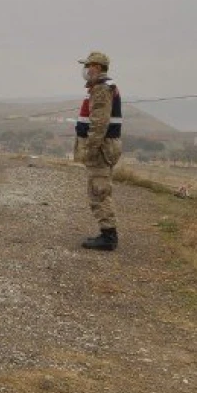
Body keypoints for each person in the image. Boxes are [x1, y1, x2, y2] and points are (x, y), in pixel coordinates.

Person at [74, 52, 122, 251]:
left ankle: (108, 236)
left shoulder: (102, 88)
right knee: (99, 188)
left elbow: (99, 122)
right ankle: (107, 233)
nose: (85, 70)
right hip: (102, 147)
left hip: (100, 148)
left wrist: (92, 148)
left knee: (99, 190)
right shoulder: (100, 87)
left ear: (98, 67)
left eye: (89, 65)